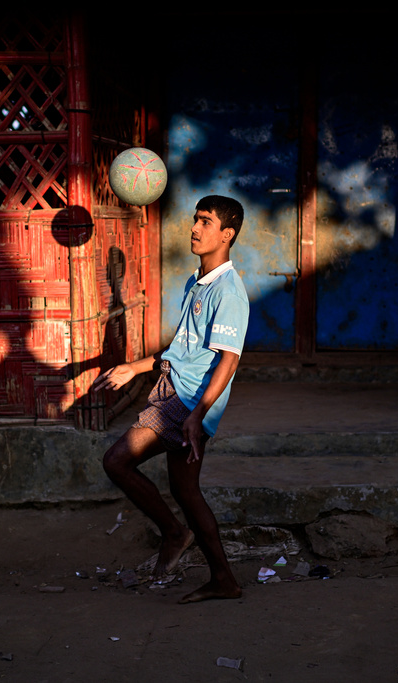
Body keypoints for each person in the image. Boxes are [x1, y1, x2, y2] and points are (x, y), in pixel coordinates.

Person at [93, 195, 249, 604]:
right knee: (186, 492)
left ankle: (175, 534)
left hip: (185, 401)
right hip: (174, 390)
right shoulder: (197, 281)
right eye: (194, 219)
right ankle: (224, 580)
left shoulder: (229, 291)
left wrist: (198, 415)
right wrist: (135, 367)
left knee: (117, 460)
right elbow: (180, 349)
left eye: (206, 222)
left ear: (227, 234)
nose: (195, 228)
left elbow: (228, 361)